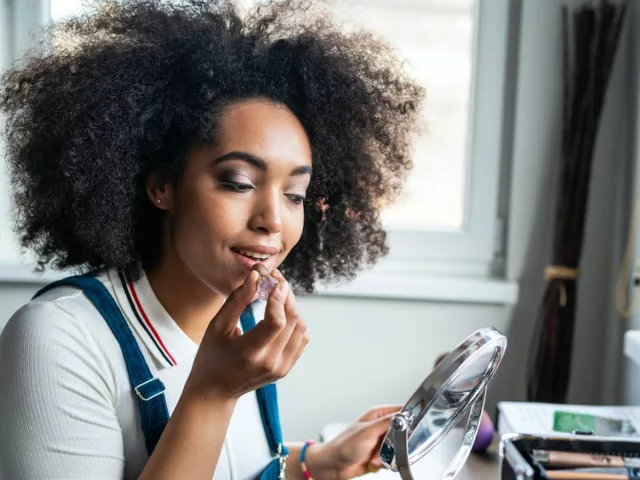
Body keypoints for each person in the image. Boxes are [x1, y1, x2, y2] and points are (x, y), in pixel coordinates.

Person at [0, 0, 425, 479]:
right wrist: (214, 391)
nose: (272, 221)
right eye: (239, 183)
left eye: (294, 194)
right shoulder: (57, 338)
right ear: (162, 186)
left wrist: (317, 462)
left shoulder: (240, 321)